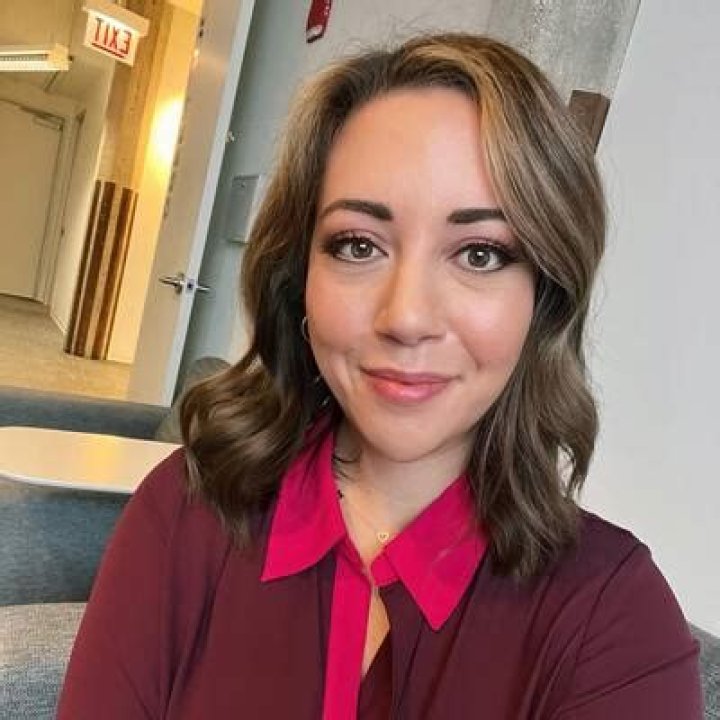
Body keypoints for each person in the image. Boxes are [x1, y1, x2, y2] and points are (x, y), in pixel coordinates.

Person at [57, 33, 702, 719]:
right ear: (299, 276)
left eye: (480, 254)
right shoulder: (183, 514)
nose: (406, 317)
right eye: (358, 245)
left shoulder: (617, 624)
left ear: (543, 299)